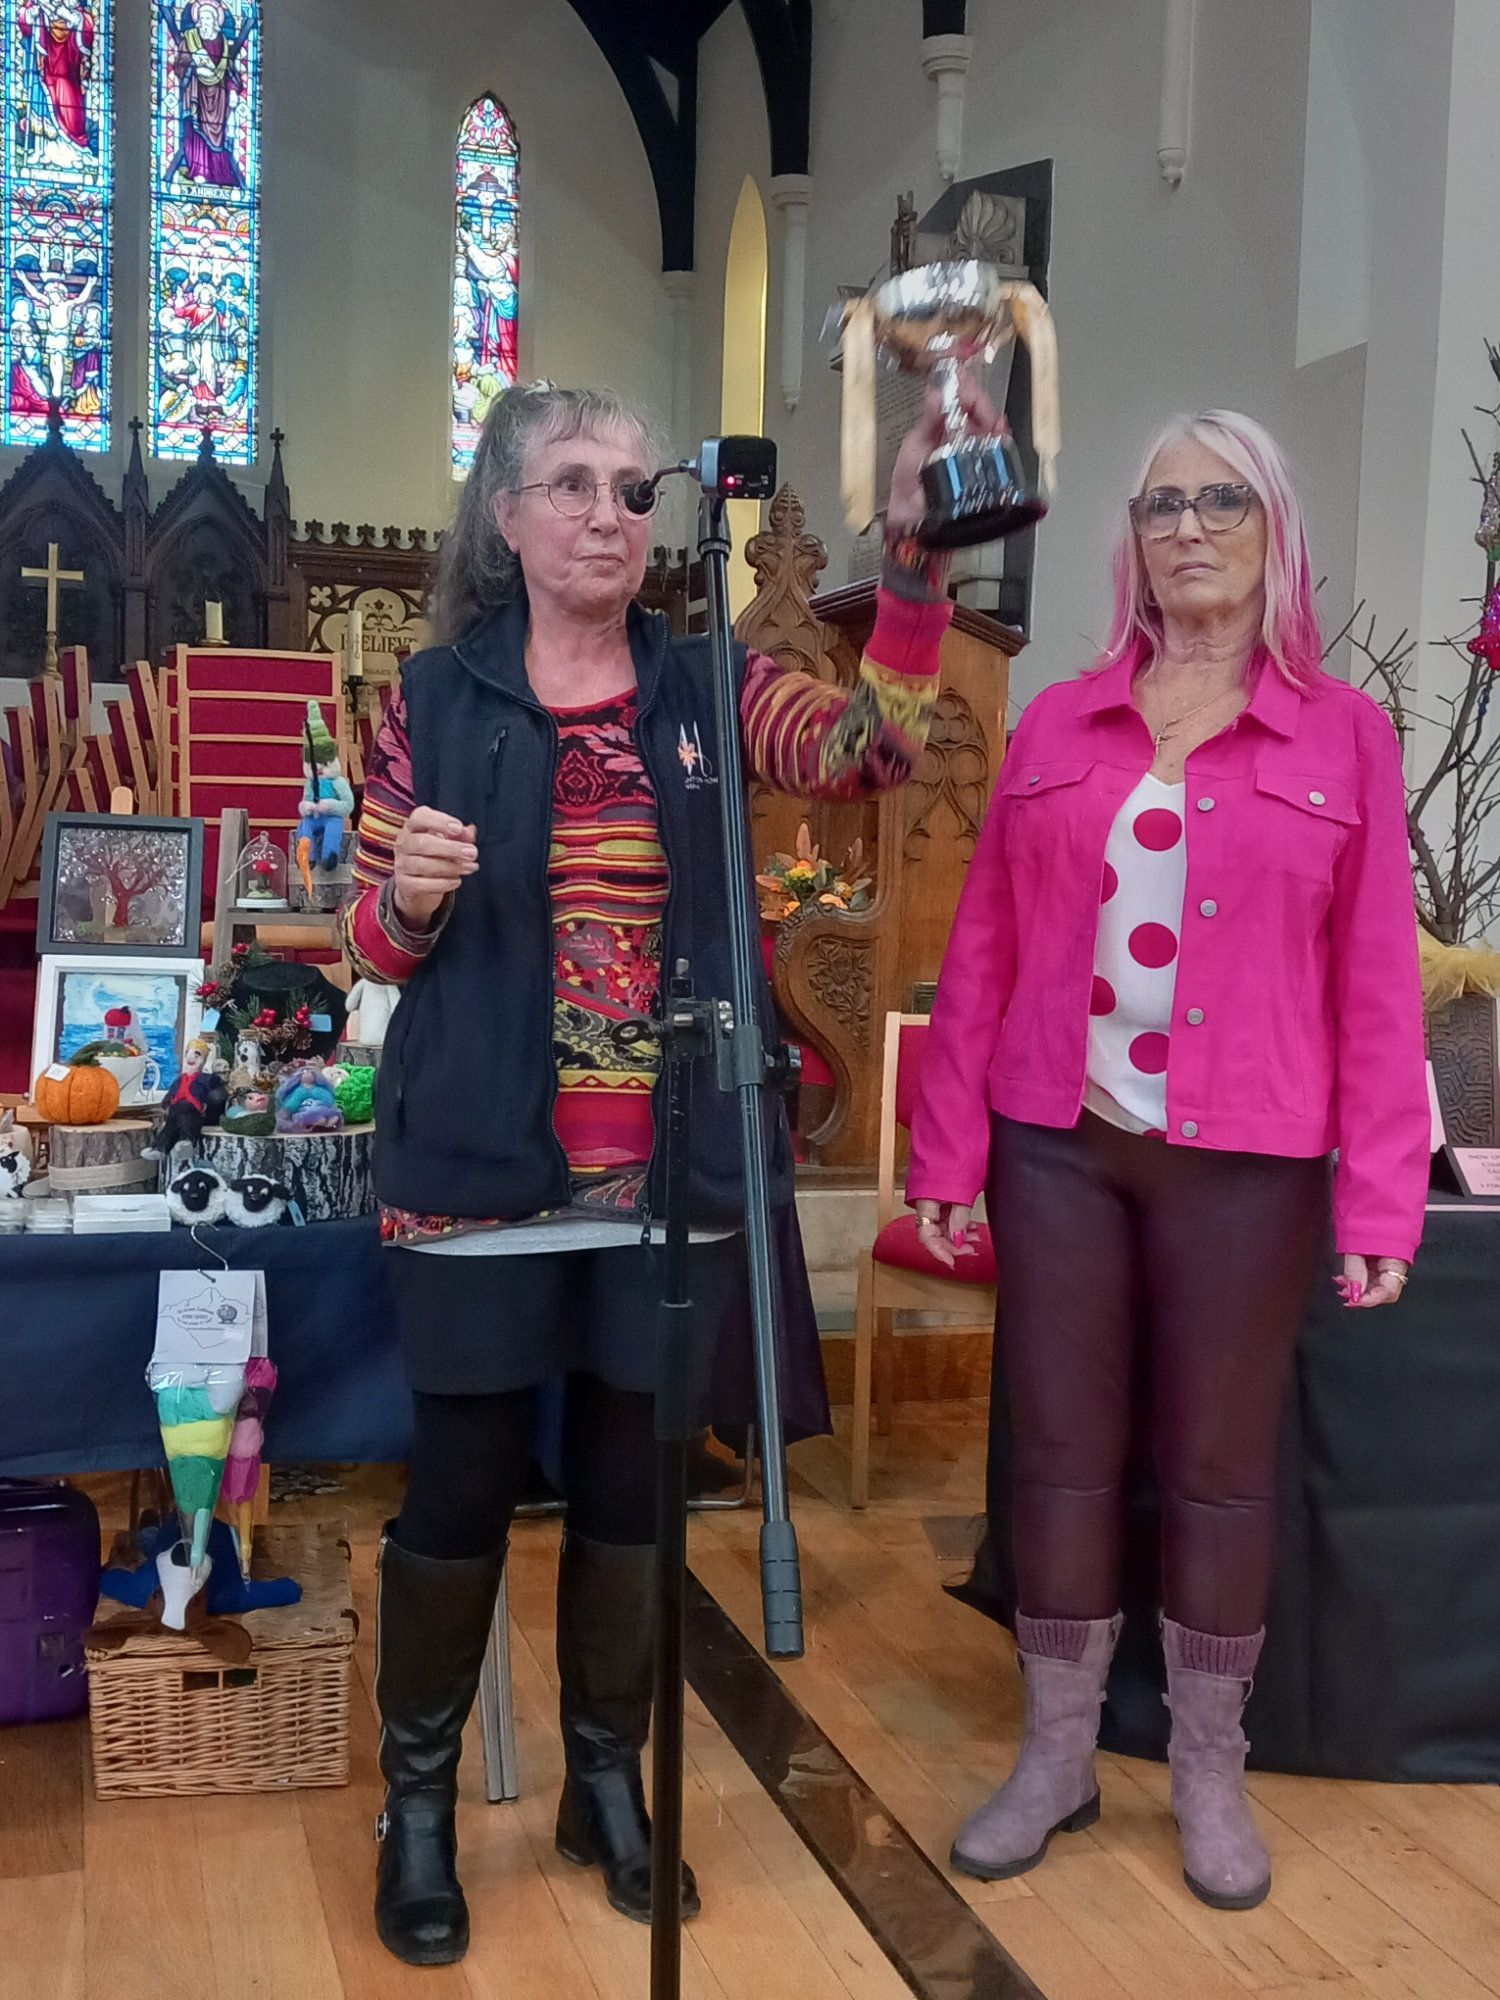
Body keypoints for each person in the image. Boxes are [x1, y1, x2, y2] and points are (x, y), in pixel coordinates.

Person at [343, 378, 991, 1966]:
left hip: (664, 1184)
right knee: (463, 1495)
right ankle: (419, 1811)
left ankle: (606, 1788)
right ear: (503, 518)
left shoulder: (708, 682)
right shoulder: (427, 698)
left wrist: (911, 567)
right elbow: (366, 940)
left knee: (637, 1488)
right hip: (478, 1177)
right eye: (570, 484)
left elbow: (872, 750)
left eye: (635, 490)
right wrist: (411, 901)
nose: (607, 515)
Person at [907, 410, 1428, 1913]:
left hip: (1252, 1157)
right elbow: (985, 947)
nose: (1187, 527)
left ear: (1275, 530)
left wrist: (1385, 1189)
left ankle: (1209, 1768)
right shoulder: (1058, 724)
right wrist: (948, 1149)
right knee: (1061, 1457)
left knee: (1215, 1474)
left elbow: (1378, 984)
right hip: (1057, 1143)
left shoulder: (1343, 734)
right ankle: (1057, 1752)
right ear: (1127, 541)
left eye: (1221, 501)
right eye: (1157, 506)